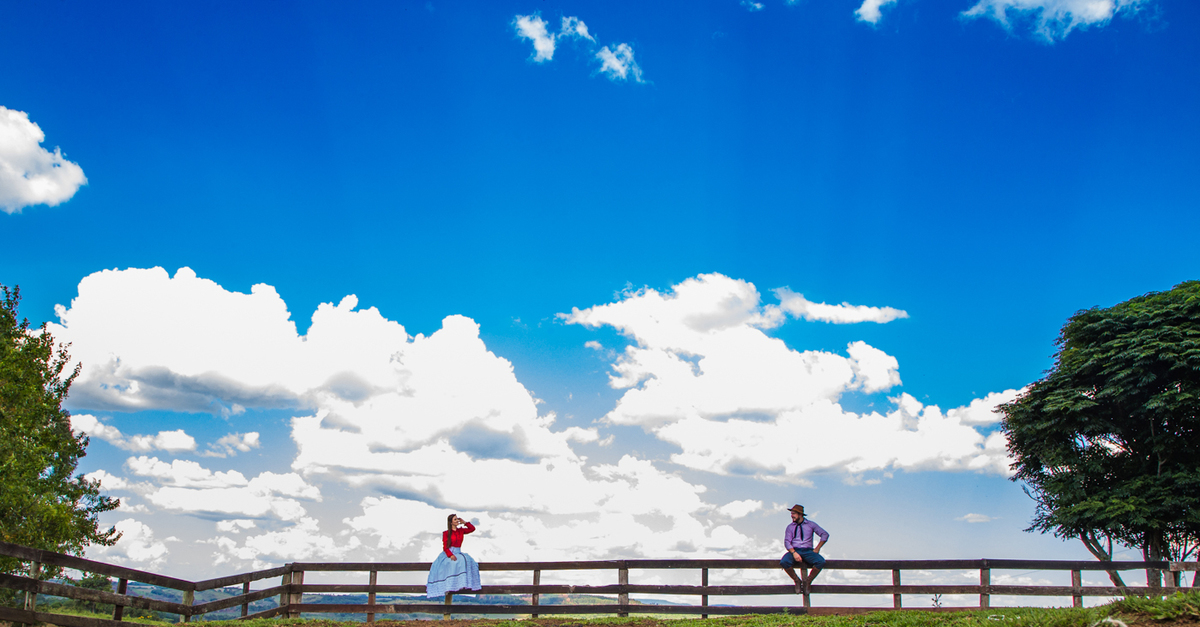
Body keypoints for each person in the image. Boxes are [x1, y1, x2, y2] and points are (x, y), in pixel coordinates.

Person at [426, 514, 482, 598]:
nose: (457, 521)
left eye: (457, 519)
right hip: (449, 552)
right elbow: (445, 547)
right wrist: (450, 555)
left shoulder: (461, 531)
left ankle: (462, 583)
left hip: (458, 551)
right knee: (449, 563)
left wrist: (465, 522)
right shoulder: (446, 533)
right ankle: (449, 585)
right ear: (451, 522)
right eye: (455, 519)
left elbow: (472, 529)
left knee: (467, 561)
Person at [779, 504, 828, 594]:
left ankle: (808, 581)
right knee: (784, 562)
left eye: (794, 514)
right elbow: (787, 542)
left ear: (800, 514)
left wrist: (817, 548)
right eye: (791, 514)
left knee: (821, 561)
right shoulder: (790, 527)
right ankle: (797, 581)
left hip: (808, 551)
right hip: (794, 550)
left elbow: (824, 534)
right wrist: (794, 552)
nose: (792, 516)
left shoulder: (811, 524)